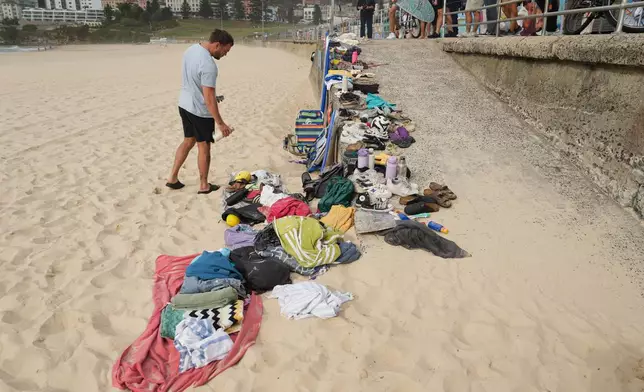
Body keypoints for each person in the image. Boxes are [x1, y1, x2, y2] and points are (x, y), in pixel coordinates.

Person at [166, 29, 234, 194]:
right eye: (225, 51)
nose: (225, 55)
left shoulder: (191, 50)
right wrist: (221, 124)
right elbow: (209, 98)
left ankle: (172, 178)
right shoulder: (209, 65)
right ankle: (204, 185)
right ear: (217, 44)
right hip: (199, 111)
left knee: (188, 141)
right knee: (204, 146)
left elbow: (193, 79)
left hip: (184, 104)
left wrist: (210, 96)